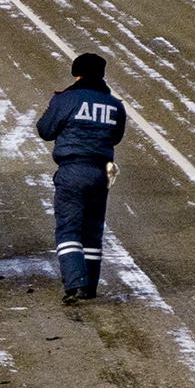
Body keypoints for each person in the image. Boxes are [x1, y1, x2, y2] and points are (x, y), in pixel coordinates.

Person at [35, 52, 126, 304]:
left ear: (77, 73)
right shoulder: (115, 104)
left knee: (68, 229)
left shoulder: (66, 99)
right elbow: (116, 136)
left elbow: (45, 130)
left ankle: (76, 285)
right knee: (92, 233)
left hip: (72, 171)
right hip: (100, 174)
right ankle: (91, 285)